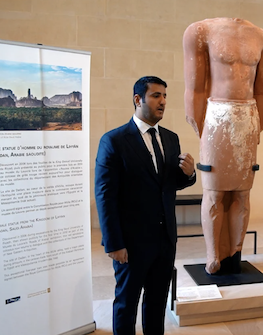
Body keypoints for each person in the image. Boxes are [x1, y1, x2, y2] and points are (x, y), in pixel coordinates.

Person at [95, 76, 196, 335]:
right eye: (156, 96)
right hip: (131, 244)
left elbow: (169, 185)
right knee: (126, 305)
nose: (162, 101)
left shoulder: (171, 139)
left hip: (164, 241)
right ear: (138, 99)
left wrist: (188, 174)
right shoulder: (114, 141)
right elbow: (105, 196)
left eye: (164, 96)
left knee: (157, 304)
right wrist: (114, 243)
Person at [183, 18, 263, 274]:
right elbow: (194, 87)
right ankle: (213, 254)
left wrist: (260, 124)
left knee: (242, 192)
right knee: (214, 191)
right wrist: (201, 125)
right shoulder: (201, 31)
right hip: (216, 115)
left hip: (248, 115)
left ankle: (235, 251)